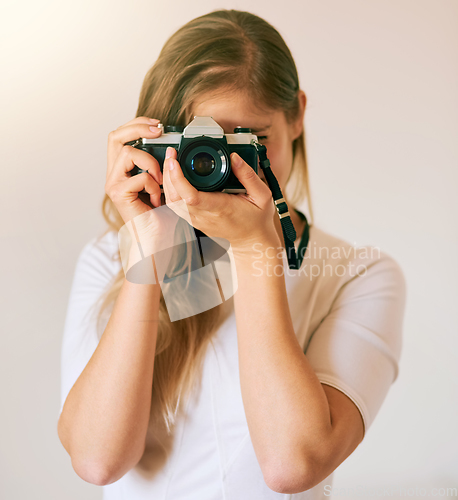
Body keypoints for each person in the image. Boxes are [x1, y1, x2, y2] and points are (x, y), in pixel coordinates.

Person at [57, 9, 406, 499]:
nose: (226, 166)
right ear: (159, 143)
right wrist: (147, 255)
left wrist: (256, 249)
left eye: (252, 141)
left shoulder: (359, 276)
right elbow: (97, 461)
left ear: (298, 114)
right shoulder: (108, 260)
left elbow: (291, 465)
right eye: (205, 146)